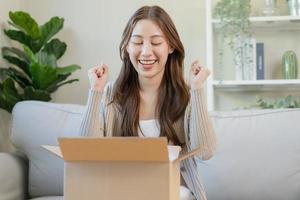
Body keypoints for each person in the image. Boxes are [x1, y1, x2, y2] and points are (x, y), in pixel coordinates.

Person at [80, 5, 217, 200]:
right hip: (125, 193)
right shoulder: (111, 93)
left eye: (155, 42)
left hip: (175, 193)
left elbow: (205, 152)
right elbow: (86, 153)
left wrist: (197, 90)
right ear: (127, 47)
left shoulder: (185, 94)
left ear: (170, 46)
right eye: (137, 42)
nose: (146, 52)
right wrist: (95, 92)